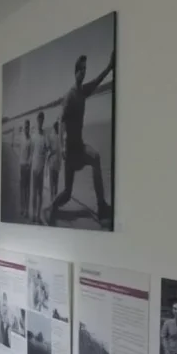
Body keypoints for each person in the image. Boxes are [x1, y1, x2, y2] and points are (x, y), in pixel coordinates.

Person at [45, 51, 115, 226]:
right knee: (68, 193)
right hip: (69, 152)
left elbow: (97, 81)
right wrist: (61, 147)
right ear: (75, 72)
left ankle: (101, 206)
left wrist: (109, 67)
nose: (83, 73)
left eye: (85, 69)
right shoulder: (70, 95)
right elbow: (60, 121)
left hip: (80, 147)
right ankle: (52, 207)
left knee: (96, 157)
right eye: (81, 70)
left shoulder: (83, 92)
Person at [30, 112, 49, 223]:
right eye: (39, 120)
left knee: (40, 194)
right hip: (34, 169)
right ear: (37, 120)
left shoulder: (45, 135)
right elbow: (31, 151)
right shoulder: (34, 135)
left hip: (41, 169)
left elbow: (47, 150)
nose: (40, 122)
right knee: (34, 193)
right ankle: (33, 214)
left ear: (43, 121)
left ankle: (38, 215)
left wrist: (45, 166)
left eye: (42, 120)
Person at [19, 120, 32, 219]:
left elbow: (31, 155)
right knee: (22, 188)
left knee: (27, 190)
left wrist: (29, 165)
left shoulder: (30, 140)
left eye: (28, 127)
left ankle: (27, 210)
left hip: (27, 167)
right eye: (25, 127)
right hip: (22, 166)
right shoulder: (21, 138)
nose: (27, 129)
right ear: (24, 128)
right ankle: (22, 208)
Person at [47, 120, 63, 203]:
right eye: (57, 127)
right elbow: (58, 152)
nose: (57, 129)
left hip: (54, 164)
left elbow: (49, 148)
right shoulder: (57, 137)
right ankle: (53, 200)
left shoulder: (54, 136)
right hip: (54, 163)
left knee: (53, 183)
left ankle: (53, 200)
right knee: (54, 183)